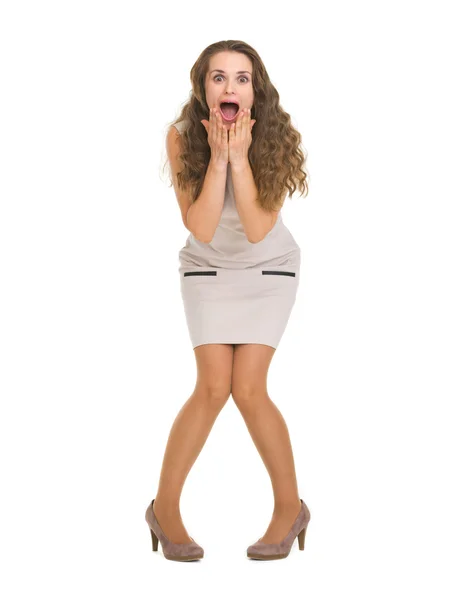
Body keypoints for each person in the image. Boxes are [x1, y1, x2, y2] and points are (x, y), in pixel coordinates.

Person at [145, 40, 311, 561]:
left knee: (249, 388)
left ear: (255, 91)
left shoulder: (278, 137)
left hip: (269, 269)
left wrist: (241, 158)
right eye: (218, 77)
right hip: (208, 269)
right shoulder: (181, 138)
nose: (230, 87)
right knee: (214, 387)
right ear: (203, 88)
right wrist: (218, 157)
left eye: (242, 78)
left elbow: (260, 231)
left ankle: (290, 508)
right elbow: (202, 226)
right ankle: (163, 510)